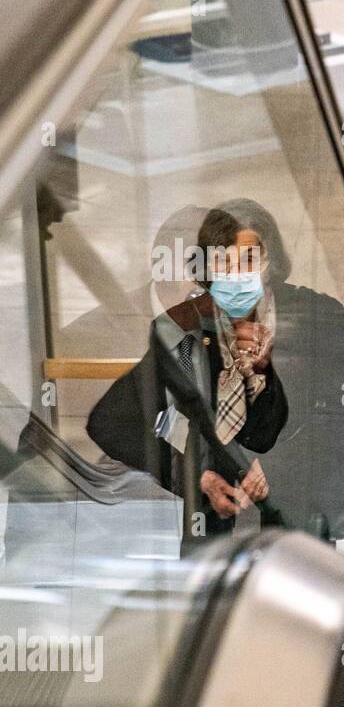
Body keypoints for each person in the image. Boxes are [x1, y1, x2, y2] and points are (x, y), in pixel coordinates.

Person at [87, 205, 288, 544]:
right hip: (211, 533)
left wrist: (276, 465)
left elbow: (328, 425)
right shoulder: (183, 329)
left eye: (250, 260)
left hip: (289, 534)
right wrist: (197, 477)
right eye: (224, 263)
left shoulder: (310, 321)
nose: (237, 275)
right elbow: (114, 422)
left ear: (270, 264)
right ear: (206, 271)